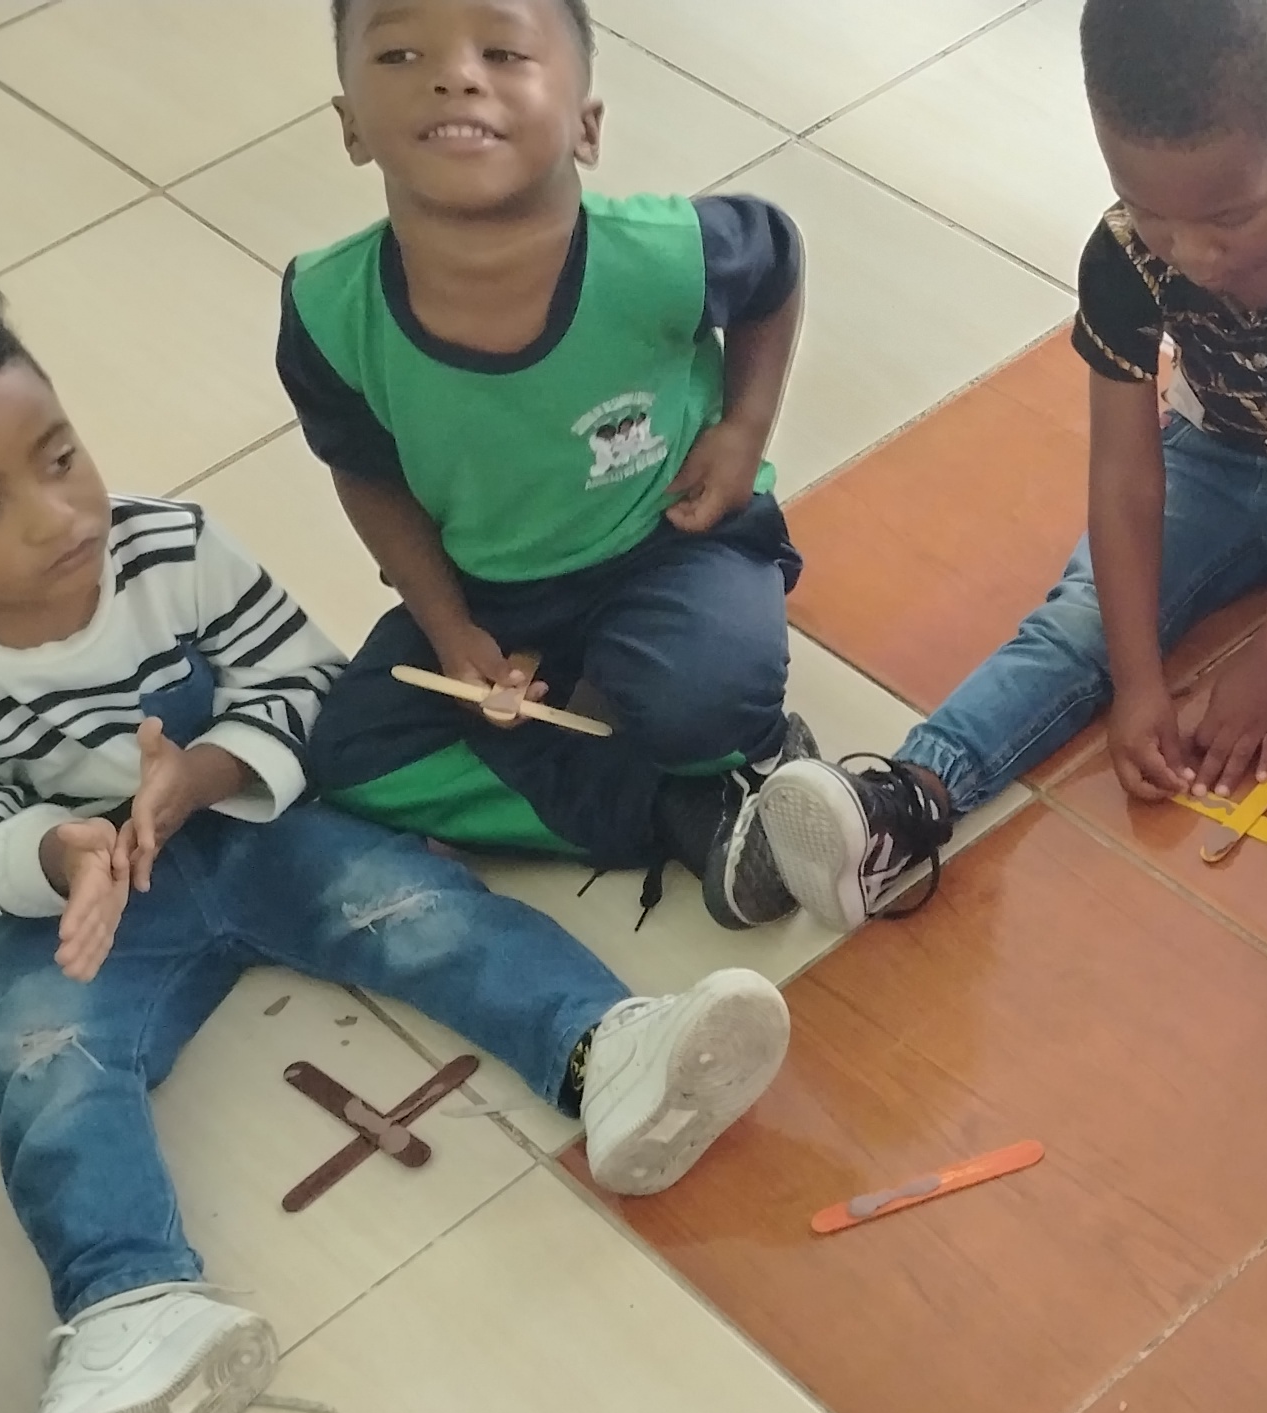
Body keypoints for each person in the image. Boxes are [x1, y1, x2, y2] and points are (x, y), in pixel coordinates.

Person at [0, 256, 792, 1413]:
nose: (57, 516)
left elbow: (300, 685)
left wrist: (208, 774)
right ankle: (132, 1308)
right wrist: (59, 854)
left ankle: (608, 1048)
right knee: (33, 1057)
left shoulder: (171, 549)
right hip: (88, 892)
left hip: (251, 817)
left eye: (60, 456)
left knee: (414, 905)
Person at [812, 0, 1267, 937]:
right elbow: (1124, 478)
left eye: (1229, 217)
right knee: (1075, 618)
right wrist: (1138, 680)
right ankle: (904, 799)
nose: (1193, 255)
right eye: (1154, 215)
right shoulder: (1120, 253)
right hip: (1208, 453)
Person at [285, 0, 871, 933]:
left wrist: (743, 430)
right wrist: (449, 629)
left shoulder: (658, 255)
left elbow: (775, 260)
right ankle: (679, 809)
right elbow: (364, 473)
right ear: (351, 124)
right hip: (491, 591)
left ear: (587, 127)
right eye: (399, 54)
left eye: (502, 51)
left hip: (671, 542)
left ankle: (733, 754)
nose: (455, 75)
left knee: (702, 703)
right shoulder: (326, 308)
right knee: (352, 754)